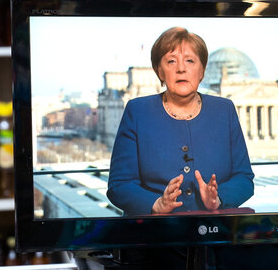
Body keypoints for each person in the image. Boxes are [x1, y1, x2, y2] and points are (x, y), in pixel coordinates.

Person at [107, 27, 255, 216]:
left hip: (215, 230)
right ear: (159, 71)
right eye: (171, 61)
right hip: (155, 233)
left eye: (190, 61)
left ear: (202, 71)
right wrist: (156, 204)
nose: (181, 68)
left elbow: (244, 178)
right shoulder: (137, 111)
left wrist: (218, 199)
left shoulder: (224, 109)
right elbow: (119, 185)